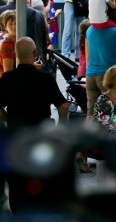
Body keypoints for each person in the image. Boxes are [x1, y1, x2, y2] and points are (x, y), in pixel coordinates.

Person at [0, 37, 70, 212]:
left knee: (16, 180)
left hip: (16, 137)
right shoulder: (44, 78)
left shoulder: (7, 79)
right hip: (41, 135)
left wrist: (8, 118)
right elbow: (63, 105)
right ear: (34, 53)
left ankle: (18, 213)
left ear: (16, 55)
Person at [0, 10, 16, 78]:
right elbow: (8, 72)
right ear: (5, 27)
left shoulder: (17, 40)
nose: (14, 26)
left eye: (16, 23)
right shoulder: (7, 44)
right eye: (10, 24)